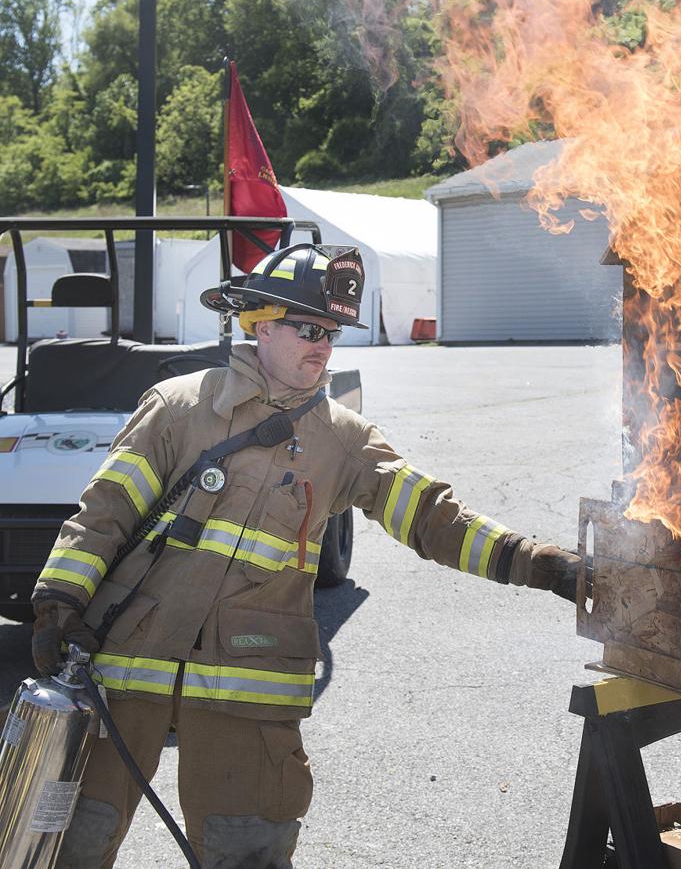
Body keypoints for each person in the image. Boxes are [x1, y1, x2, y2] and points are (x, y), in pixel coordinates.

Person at [31, 242, 584, 869]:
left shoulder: (343, 440)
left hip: (247, 682)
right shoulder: (179, 409)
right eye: (307, 328)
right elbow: (104, 515)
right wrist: (58, 600)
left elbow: (435, 519)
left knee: (248, 853)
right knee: (66, 842)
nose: (323, 345)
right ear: (261, 325)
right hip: (126, 666)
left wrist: (541, 564)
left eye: (332, 332)